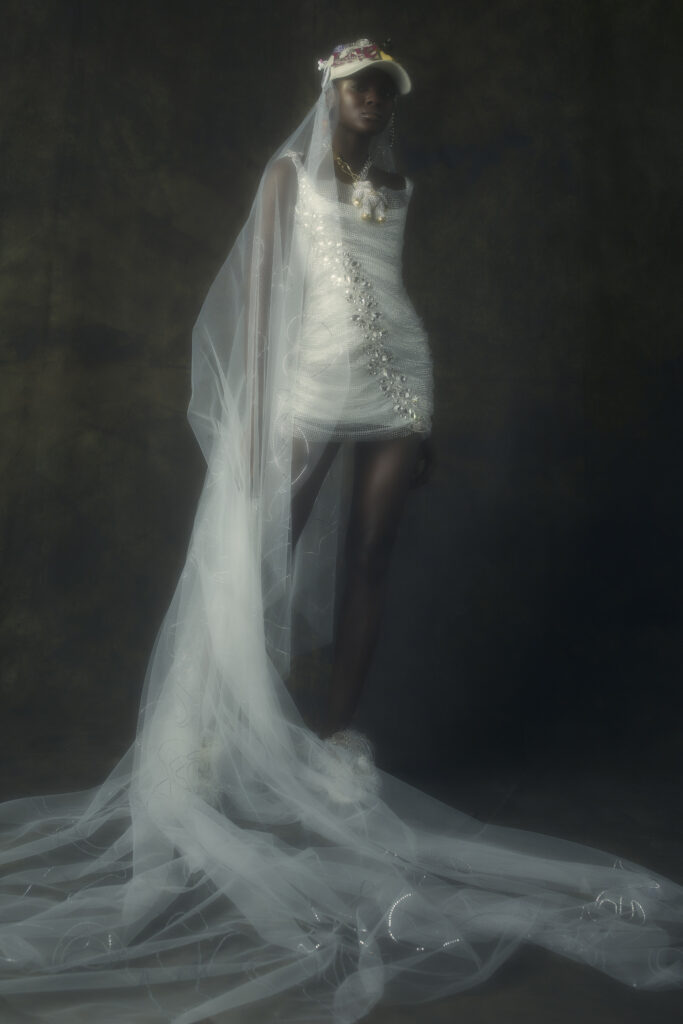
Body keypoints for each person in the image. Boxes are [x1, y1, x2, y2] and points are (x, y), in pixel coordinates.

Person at [0, 38, 681, 1024]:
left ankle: (333, 746)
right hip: (313, 376)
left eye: (382, 89)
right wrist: (255, 411)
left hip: (402, 374)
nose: (371, 98)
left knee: (370, 556)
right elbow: (263, 291)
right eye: (357, 85)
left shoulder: (397, 181)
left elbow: (388, 284)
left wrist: (424, 423)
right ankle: (223, 727)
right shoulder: (288, 176)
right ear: (328, 91)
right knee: (262, 548)